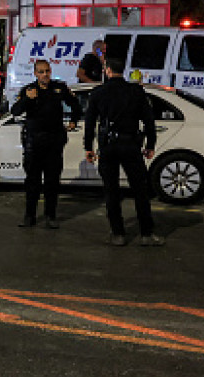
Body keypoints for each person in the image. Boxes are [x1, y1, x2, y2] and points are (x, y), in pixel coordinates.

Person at [83, 56, 165, 247]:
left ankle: (118, 234)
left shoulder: (98, 92)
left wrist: (88, 147)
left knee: (111, 191)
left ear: (107, 70)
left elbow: (90, 123)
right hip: (131, 145)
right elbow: (148, 120)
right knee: (140, 190)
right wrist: (150, 145)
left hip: (109, 146)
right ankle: (146, 233)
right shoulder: (136, 92)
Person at [10, 60, 81, 228]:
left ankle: (50, 216)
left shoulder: (59, 88)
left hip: (54, 141)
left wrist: (73, 120)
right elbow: (15, 111)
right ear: (35, 74)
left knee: (52, 181)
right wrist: (27, 99)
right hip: (34, 142)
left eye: (47, 71)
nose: (45, 75)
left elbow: (76, 105)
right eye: (41, 72)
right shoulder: (29, 90)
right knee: (32, 181)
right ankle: (29, 216)